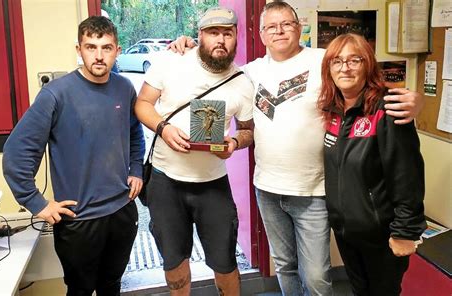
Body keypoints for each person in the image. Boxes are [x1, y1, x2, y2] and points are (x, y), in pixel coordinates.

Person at [170, 1, 424, 295]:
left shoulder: (323, 60)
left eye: (286, 24)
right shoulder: (247, 73)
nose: (279, 31)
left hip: (313, 191)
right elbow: (211, 68)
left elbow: (364, 77)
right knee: (284, 266)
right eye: (271, 26)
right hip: (267, 188)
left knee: (317, 276)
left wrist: (414, 100)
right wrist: (188, 46)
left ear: (299, 28)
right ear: (261, 34)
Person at [2, 16, 145, 296]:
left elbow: (135, 134)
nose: (99, 55)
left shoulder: (124, 88)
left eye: (107, 47)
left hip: (121, 212)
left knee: (112, 285)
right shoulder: (55, 94)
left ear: (117, 50)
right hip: (79, 221)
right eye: (91, 47)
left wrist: (136, 169)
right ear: (78, 50)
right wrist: (36, 202)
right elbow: (16, 154)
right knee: (80, 290)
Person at [134, 7, 254, 296]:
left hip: (213, 184)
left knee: (225, 262)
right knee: (174, 259)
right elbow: (142, 104)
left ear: (237, 36)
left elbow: (248, 130)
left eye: (228, 33)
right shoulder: (171, 61)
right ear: (200, 35)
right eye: (213, 33)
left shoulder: (242, 83)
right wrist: (164, 128)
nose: (221, 40)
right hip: (166, 182)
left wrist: (235, 143)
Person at [318, 33, 426, 295]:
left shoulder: (388, 108)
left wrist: (405, 231)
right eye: (337, 61)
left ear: (368, 65)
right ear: (329, 69)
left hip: (382, 234)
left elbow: (407, 173)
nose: (345, 68)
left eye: (354, 60)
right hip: (346, 230)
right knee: (359, 290)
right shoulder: (333, 111)